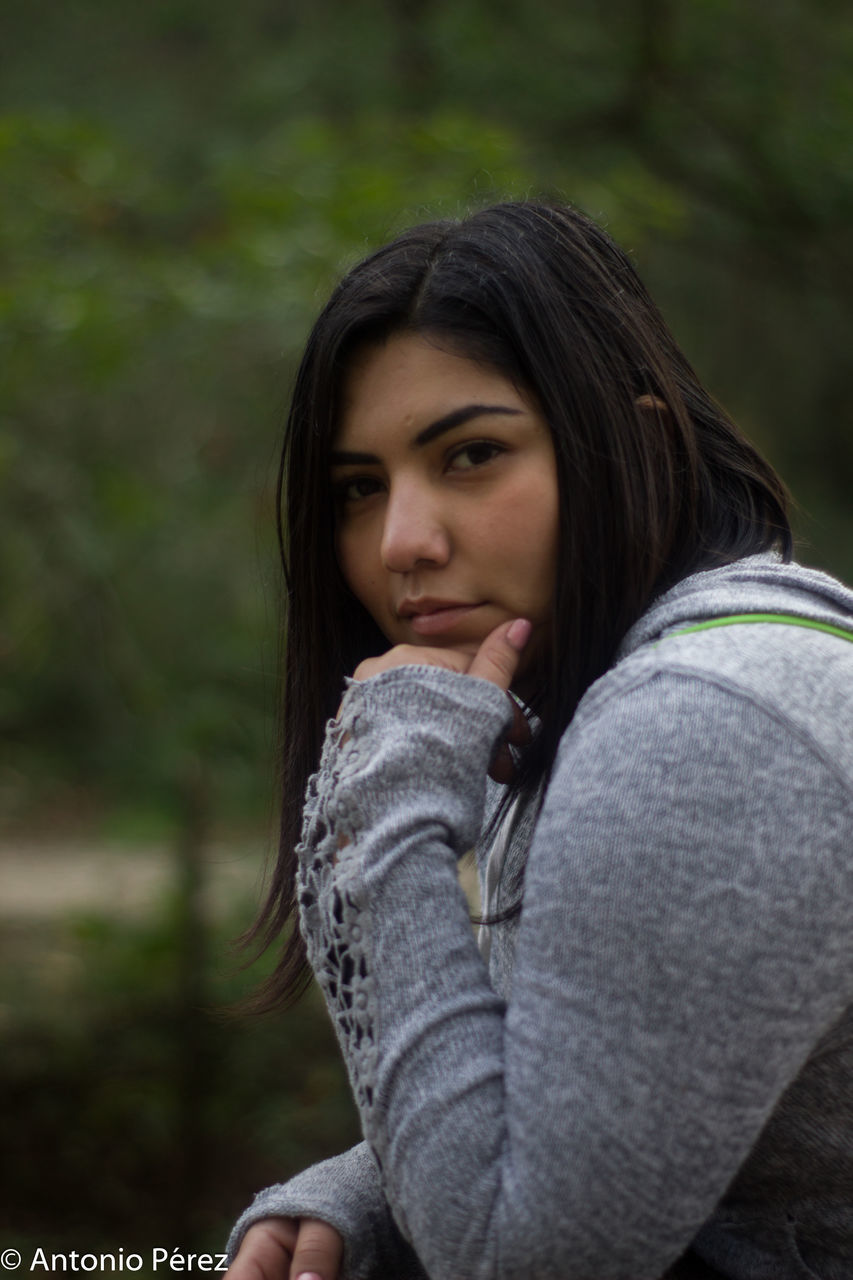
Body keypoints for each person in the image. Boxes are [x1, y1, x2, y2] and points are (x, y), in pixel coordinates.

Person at [225, 201, 853, 1280]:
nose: (400, 543)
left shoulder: (702, 723)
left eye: (470, 454)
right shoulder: (596, 694)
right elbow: (621, 1098)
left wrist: (383, 811)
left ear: (637, 443)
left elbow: (525, 1261)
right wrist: (368, 1190)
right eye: (357, 488)